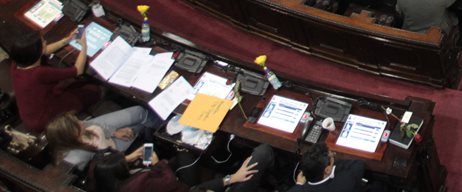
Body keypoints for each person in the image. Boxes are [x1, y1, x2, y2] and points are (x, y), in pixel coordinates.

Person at [7, 29, 101, 131]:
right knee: (94, 89)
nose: (46, 42)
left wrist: (66, 40)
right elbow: (78, 70)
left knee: (73, 85)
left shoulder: (17, 63)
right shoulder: (39, 73)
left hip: (30, 115)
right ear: (38, 51)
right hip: (44, 118)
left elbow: (44, 51)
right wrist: (84, 46)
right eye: (43, 43)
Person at [89, 143, 272, 192]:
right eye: (123, 163)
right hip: (183, 187)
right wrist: (231, 179)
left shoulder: (113, 183)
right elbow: (192, 188)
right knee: (263, 153)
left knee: (183, 152)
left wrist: (128, 158)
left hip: (185, 187)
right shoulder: (136, 185)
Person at [46, 108, 153, 170]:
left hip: (109, 142)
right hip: (117, 160)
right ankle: (154, 137)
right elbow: (104, 170)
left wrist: (114, 132)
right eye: (78, 124)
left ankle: (151, 132)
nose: (82, 122)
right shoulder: (77, 159)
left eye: (77, 120)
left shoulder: (80, 130)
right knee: (149, 146)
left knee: (139, 113)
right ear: (72, 136)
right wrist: (129, 158)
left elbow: (93, 124)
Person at [292, 144, 364, 191]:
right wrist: (333, 167)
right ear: (327, 170)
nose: (334, 154)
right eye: (332, 156)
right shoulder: (346, 180)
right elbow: (359, 164)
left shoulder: (300, 189)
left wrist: (299, 184)